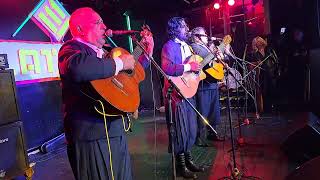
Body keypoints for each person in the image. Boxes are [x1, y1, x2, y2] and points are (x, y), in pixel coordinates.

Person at [58, 7, 154, 180]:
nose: (104, 27)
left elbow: (130, 77)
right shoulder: (71, 49)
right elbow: (78, 68)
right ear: (80, 29)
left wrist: (146, 52)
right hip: (92, 135)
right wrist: (120, 63)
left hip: (114, 129)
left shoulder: (105, 53)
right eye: (98, 22)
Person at [161, 17, 204, 179]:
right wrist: (189, 66)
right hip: (176, 95)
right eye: (184, 26)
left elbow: (193, 67)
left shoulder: (187, 46)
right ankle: (181, 166)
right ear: (175, 29)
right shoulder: (169, 46)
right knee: (180, 131)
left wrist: (197, 70)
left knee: (191, 129)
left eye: (186, 26)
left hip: (188, 92)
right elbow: (167, 68)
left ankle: (189, 160)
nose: (187, 29)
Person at [189, 27, 223, 146]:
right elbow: (206, 56)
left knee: (214, 111)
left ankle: (212, 133)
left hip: (212, 83)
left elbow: (213, 59)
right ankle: (199, 137)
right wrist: (215, 52)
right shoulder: (194, 46)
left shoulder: (206, 46)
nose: (206, 36)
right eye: (204, 35)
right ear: (197, 36)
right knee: (202, 112)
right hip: (203, 85)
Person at [250, 36, 278, 113]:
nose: (258, 44)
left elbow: (275, 60)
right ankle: (266, 108)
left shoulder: (269, 49)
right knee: (264, 91)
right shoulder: (255, 54)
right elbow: (252, 64)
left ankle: (274, 107)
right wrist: (257, 63)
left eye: (258, 42)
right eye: (256, 43)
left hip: (271, 72)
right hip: (262, 74)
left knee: (272, 90)